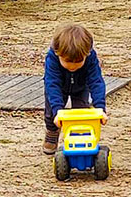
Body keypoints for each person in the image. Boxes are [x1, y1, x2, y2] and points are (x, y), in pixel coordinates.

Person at [43, 23, 108, 155]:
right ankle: (52, 132)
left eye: (78, 61)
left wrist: (100, 107)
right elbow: (52, 84)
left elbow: (96, 82)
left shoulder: (90, 58)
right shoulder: (52, 59)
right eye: (67, 61)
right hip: (58, 87)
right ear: (58, 53)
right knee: (51, 114)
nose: (72, 66)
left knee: (81, 111)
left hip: (80, 86)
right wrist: (57, 112)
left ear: (86, 54)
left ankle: (81, 138)